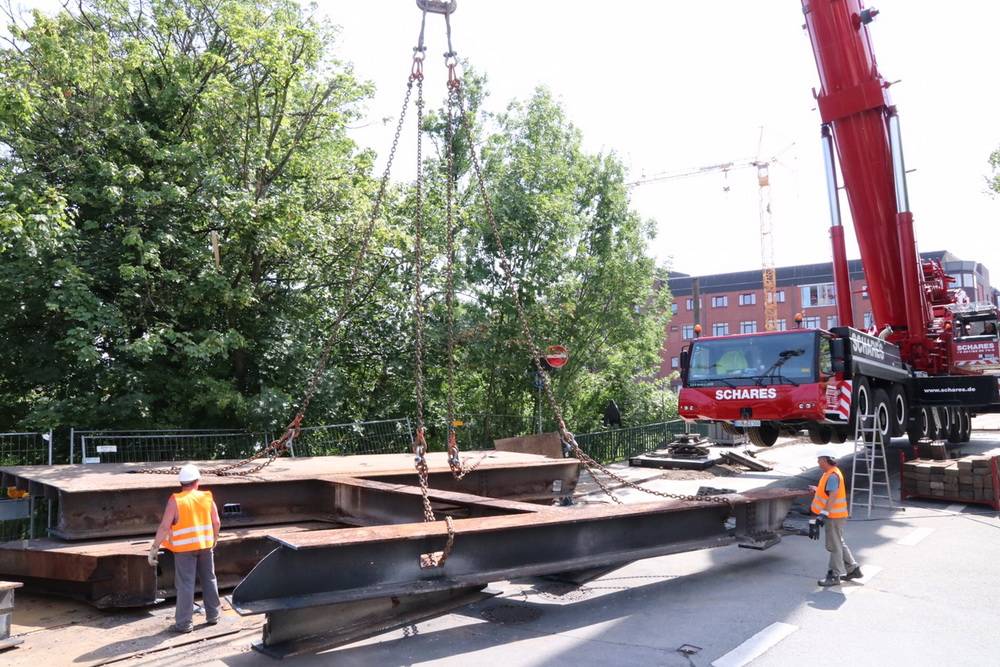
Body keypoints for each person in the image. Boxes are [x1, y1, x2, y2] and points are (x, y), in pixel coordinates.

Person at [148, 464, 222, 633]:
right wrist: (215, 538)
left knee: (186, 585)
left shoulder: (176, 500)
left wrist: (154, 548)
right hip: (205, 546)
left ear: (181, 483)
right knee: (209, 579)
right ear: (197, 482)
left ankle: (184, 624)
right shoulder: (207, 497)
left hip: (184, 550)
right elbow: (216, 522)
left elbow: (164, 527)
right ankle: (213, 615)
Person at [808, 447, 862, 587]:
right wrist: (817, 490)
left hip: (834, 516)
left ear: (825, 460)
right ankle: (853, 569)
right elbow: (828, 492)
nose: (818, 462)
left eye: (819, 459)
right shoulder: (830, 473)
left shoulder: (832, 475)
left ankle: (834, 575)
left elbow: (832, 497)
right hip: (836, 515)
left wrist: (823, 514)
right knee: (838, 542)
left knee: (834, 545)